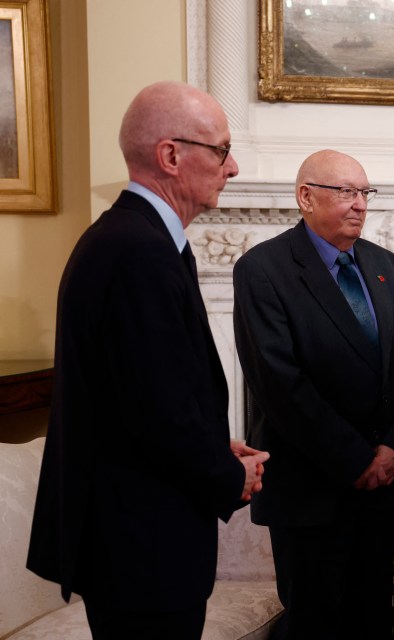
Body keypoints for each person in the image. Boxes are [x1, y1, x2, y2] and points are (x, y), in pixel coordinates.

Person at [26, 81, 269, 639]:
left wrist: (214, 444)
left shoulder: (138, 240)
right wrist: (228, 473)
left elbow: (142, 394)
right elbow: (159, 414)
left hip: (139, 538)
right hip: (140, 546)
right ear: (170, 155)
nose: (233, 167)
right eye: (222, 149)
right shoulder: (136, 252)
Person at [233, 150, 394, 639]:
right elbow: (279, 383)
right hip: (311, 491)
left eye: (365, 192)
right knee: (316, 625)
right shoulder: (263, 270)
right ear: (305, 197)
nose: (360, 204)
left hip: (381, 489)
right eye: (346, 191)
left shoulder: (385, 264)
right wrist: (356, 459)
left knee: (372, 621)